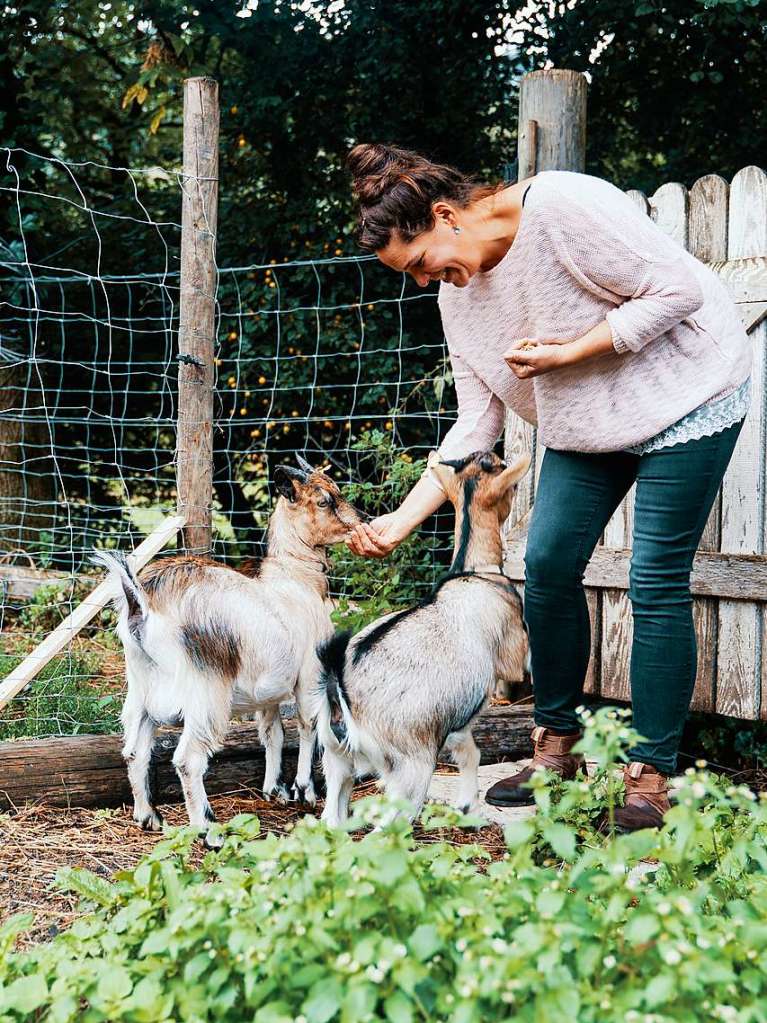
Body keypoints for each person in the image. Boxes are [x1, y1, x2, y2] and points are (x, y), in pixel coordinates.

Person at [344, 143, 751, 831]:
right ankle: (555, 747)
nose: (422, 281)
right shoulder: (457, 299)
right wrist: (399, 520)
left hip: (688, 393)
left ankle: (651, 775)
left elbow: (678, 290)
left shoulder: (562, 206)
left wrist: (571, 351)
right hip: (589, 423)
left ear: (444, 215)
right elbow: (475, 420)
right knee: (548, 564)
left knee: (653, 578)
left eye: (417, 263)